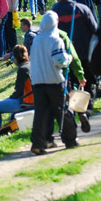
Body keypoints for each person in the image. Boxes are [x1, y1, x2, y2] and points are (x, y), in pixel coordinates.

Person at [52, 0, 97, 139]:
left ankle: (74, 113)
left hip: (63, 56)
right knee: (88, 83)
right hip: (85, 54)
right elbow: (95, 30)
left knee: (69, 86)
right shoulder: (83, 9)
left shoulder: (53, 12)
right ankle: (85, 110)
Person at [28, 11, 72, 155]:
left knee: (41, 113)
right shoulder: (55, 39)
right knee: (61, 111)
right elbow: (59, 61)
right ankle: (70, 139)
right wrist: (68, 58)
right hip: (53, 80)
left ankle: (38, 143)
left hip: (37, 81)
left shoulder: (36, 39)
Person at [0, 44, 31, 138]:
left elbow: (18, 93)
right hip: (35, 99)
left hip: (27, 102)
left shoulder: (22, 70)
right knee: (11, 113)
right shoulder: (31, 65)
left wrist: (8, 99)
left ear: (15, 58)